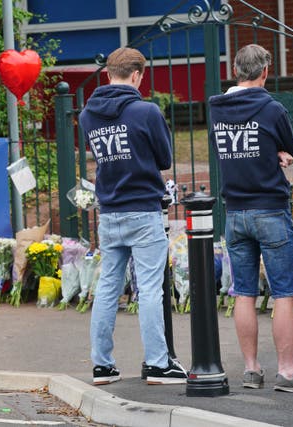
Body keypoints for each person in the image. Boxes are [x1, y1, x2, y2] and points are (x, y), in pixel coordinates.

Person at [208, 43, 293, 395]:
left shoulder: (216, 108)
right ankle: (288, 371)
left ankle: (250, 369)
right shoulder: (270, 107)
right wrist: (276, 152)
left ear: (235, 71)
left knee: (243, 292)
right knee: (284, 293)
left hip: (235, 212)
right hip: (270, 209)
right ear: (264, 72)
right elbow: (290, 146)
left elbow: (223, 150)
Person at [78, 47, 187, 386]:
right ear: (137, 75)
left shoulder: (87, 115)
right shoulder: (146, 111)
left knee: (108, 287)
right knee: (151, 289)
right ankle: (157, 364)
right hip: (142, 208)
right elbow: (164, 158)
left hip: (109, 212)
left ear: (109, 73)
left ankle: (103, 366)